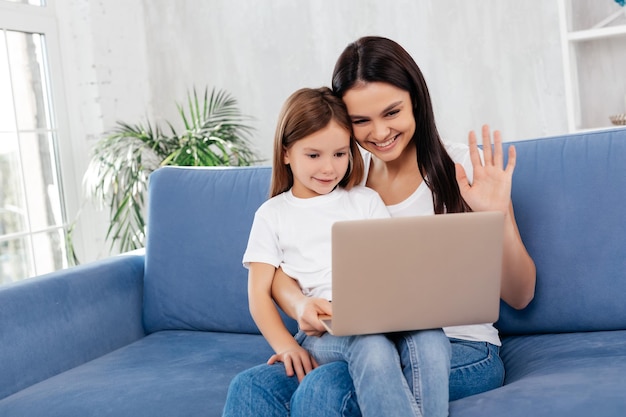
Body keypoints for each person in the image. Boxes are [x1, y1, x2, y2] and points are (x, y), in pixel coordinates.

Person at [223, 36, 536, 417]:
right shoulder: (344, 176)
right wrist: (299, 304)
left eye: (391, 112)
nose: (379, 132)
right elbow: (282, 266)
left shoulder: (465, 170)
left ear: (416, 101)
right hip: (363, 336)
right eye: (360, 121)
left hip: (461, 345)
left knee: (323, 389)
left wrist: (496, 216)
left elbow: (520, 296)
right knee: (251, 386)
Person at [238, 86, 451, 417]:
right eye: (314, 155)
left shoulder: (364, 201)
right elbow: (258, 295)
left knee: (432, 338)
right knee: (371, 346)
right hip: (325, 328)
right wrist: (286, 346)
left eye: (339, 154)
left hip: (380, 319)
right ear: (285, 153)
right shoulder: (273, 214)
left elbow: (392, 266)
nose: (328, 168)